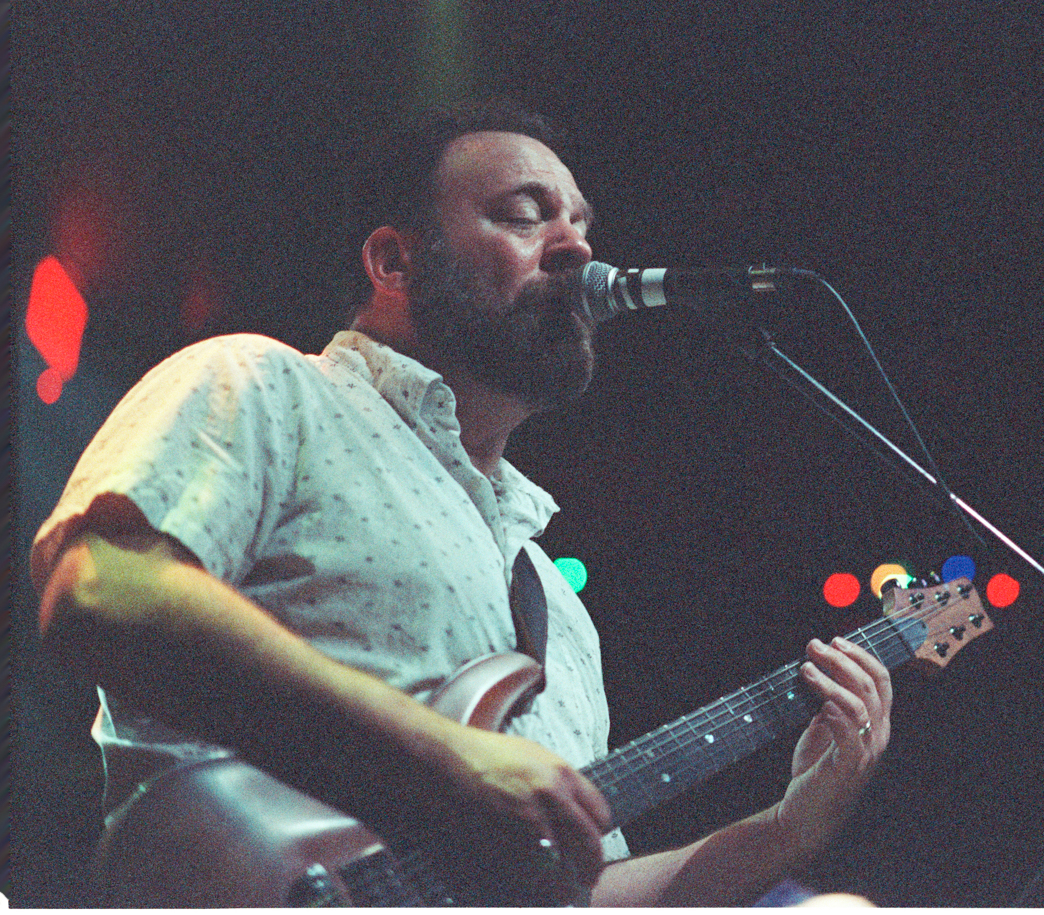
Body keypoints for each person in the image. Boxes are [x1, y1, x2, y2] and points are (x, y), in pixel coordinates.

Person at [30, 105, 893, 906]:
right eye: (524, 215)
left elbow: (577, 896)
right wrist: (446, 755)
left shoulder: (557, 609)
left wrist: (783, 830)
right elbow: (103, 589)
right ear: (394, 263)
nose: (576, 247)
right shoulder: (268, 388)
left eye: (581, 222)